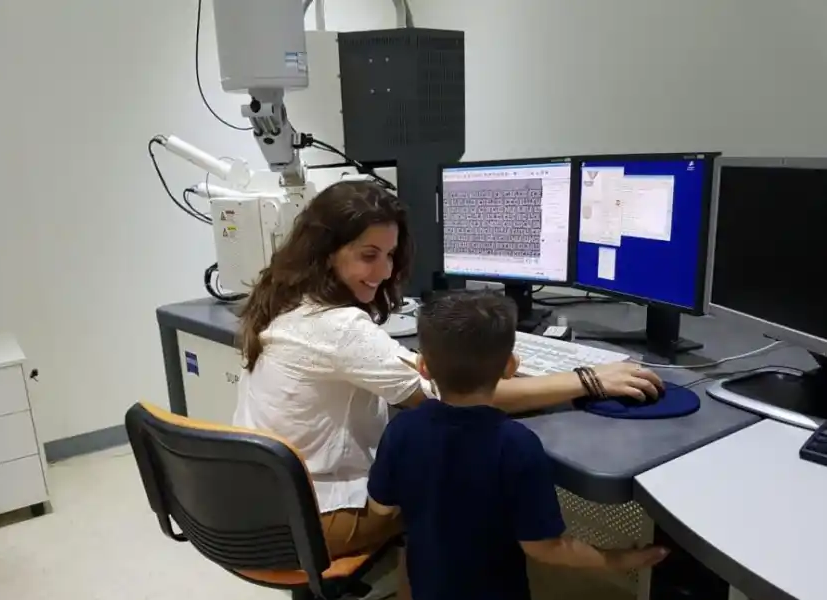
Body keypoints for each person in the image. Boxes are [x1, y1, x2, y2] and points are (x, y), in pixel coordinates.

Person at [233, 180, 663, 561]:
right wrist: (589, 378)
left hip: (256, 504)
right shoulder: (337, 326)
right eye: (369, 255)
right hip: (308, 519)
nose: (384, 272)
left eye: (389, 256)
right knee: (460, 483)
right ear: (327, 254)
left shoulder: (284, 299)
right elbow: (458, 394)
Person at [367, 291, 669, 600]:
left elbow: (382, 507)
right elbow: (545, 547)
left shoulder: (401, 430)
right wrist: (616, 559)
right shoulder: (517, 445)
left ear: (423, 367)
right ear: (510, 367)